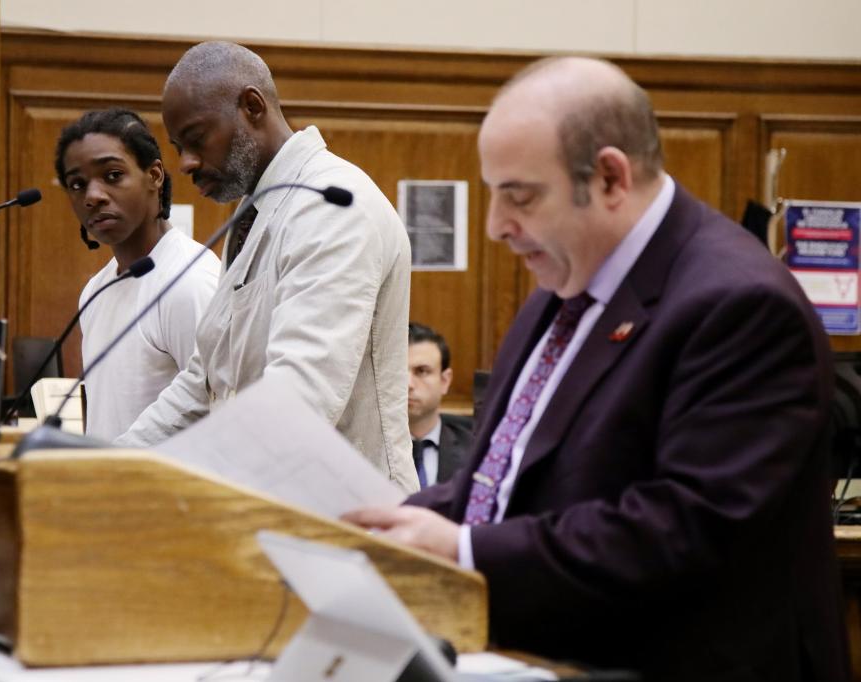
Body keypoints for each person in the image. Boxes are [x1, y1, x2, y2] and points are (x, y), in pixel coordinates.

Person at [344, 57, 848, 680]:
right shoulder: (557, 291)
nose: (497, 226)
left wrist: (465, 549)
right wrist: (396, 520)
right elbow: (506, 480)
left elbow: (686, 528)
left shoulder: (741, 305)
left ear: (610, 178)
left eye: (519, 196)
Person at [115, 42, 417, 493]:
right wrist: (109, 463)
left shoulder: (330, 205)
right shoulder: (254, 212)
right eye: (179, 147)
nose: (186, 164)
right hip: (274, 508)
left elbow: (298, 402)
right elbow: (204, 383)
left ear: (252, 106)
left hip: (350, 524)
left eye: (196, 140)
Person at [55, 108, 220, 442]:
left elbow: (218, 408)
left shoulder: (189, 280)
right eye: (77, 184)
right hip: (109, 486)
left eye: (113, 175)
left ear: (154, 175)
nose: (93, 196)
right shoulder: (95, 290)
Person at [407, 322, 472, 488]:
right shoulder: (364, 452)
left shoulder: (476, 452)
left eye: (421, 371)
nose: (408, 383)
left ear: (444, 381)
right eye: (399, 371)